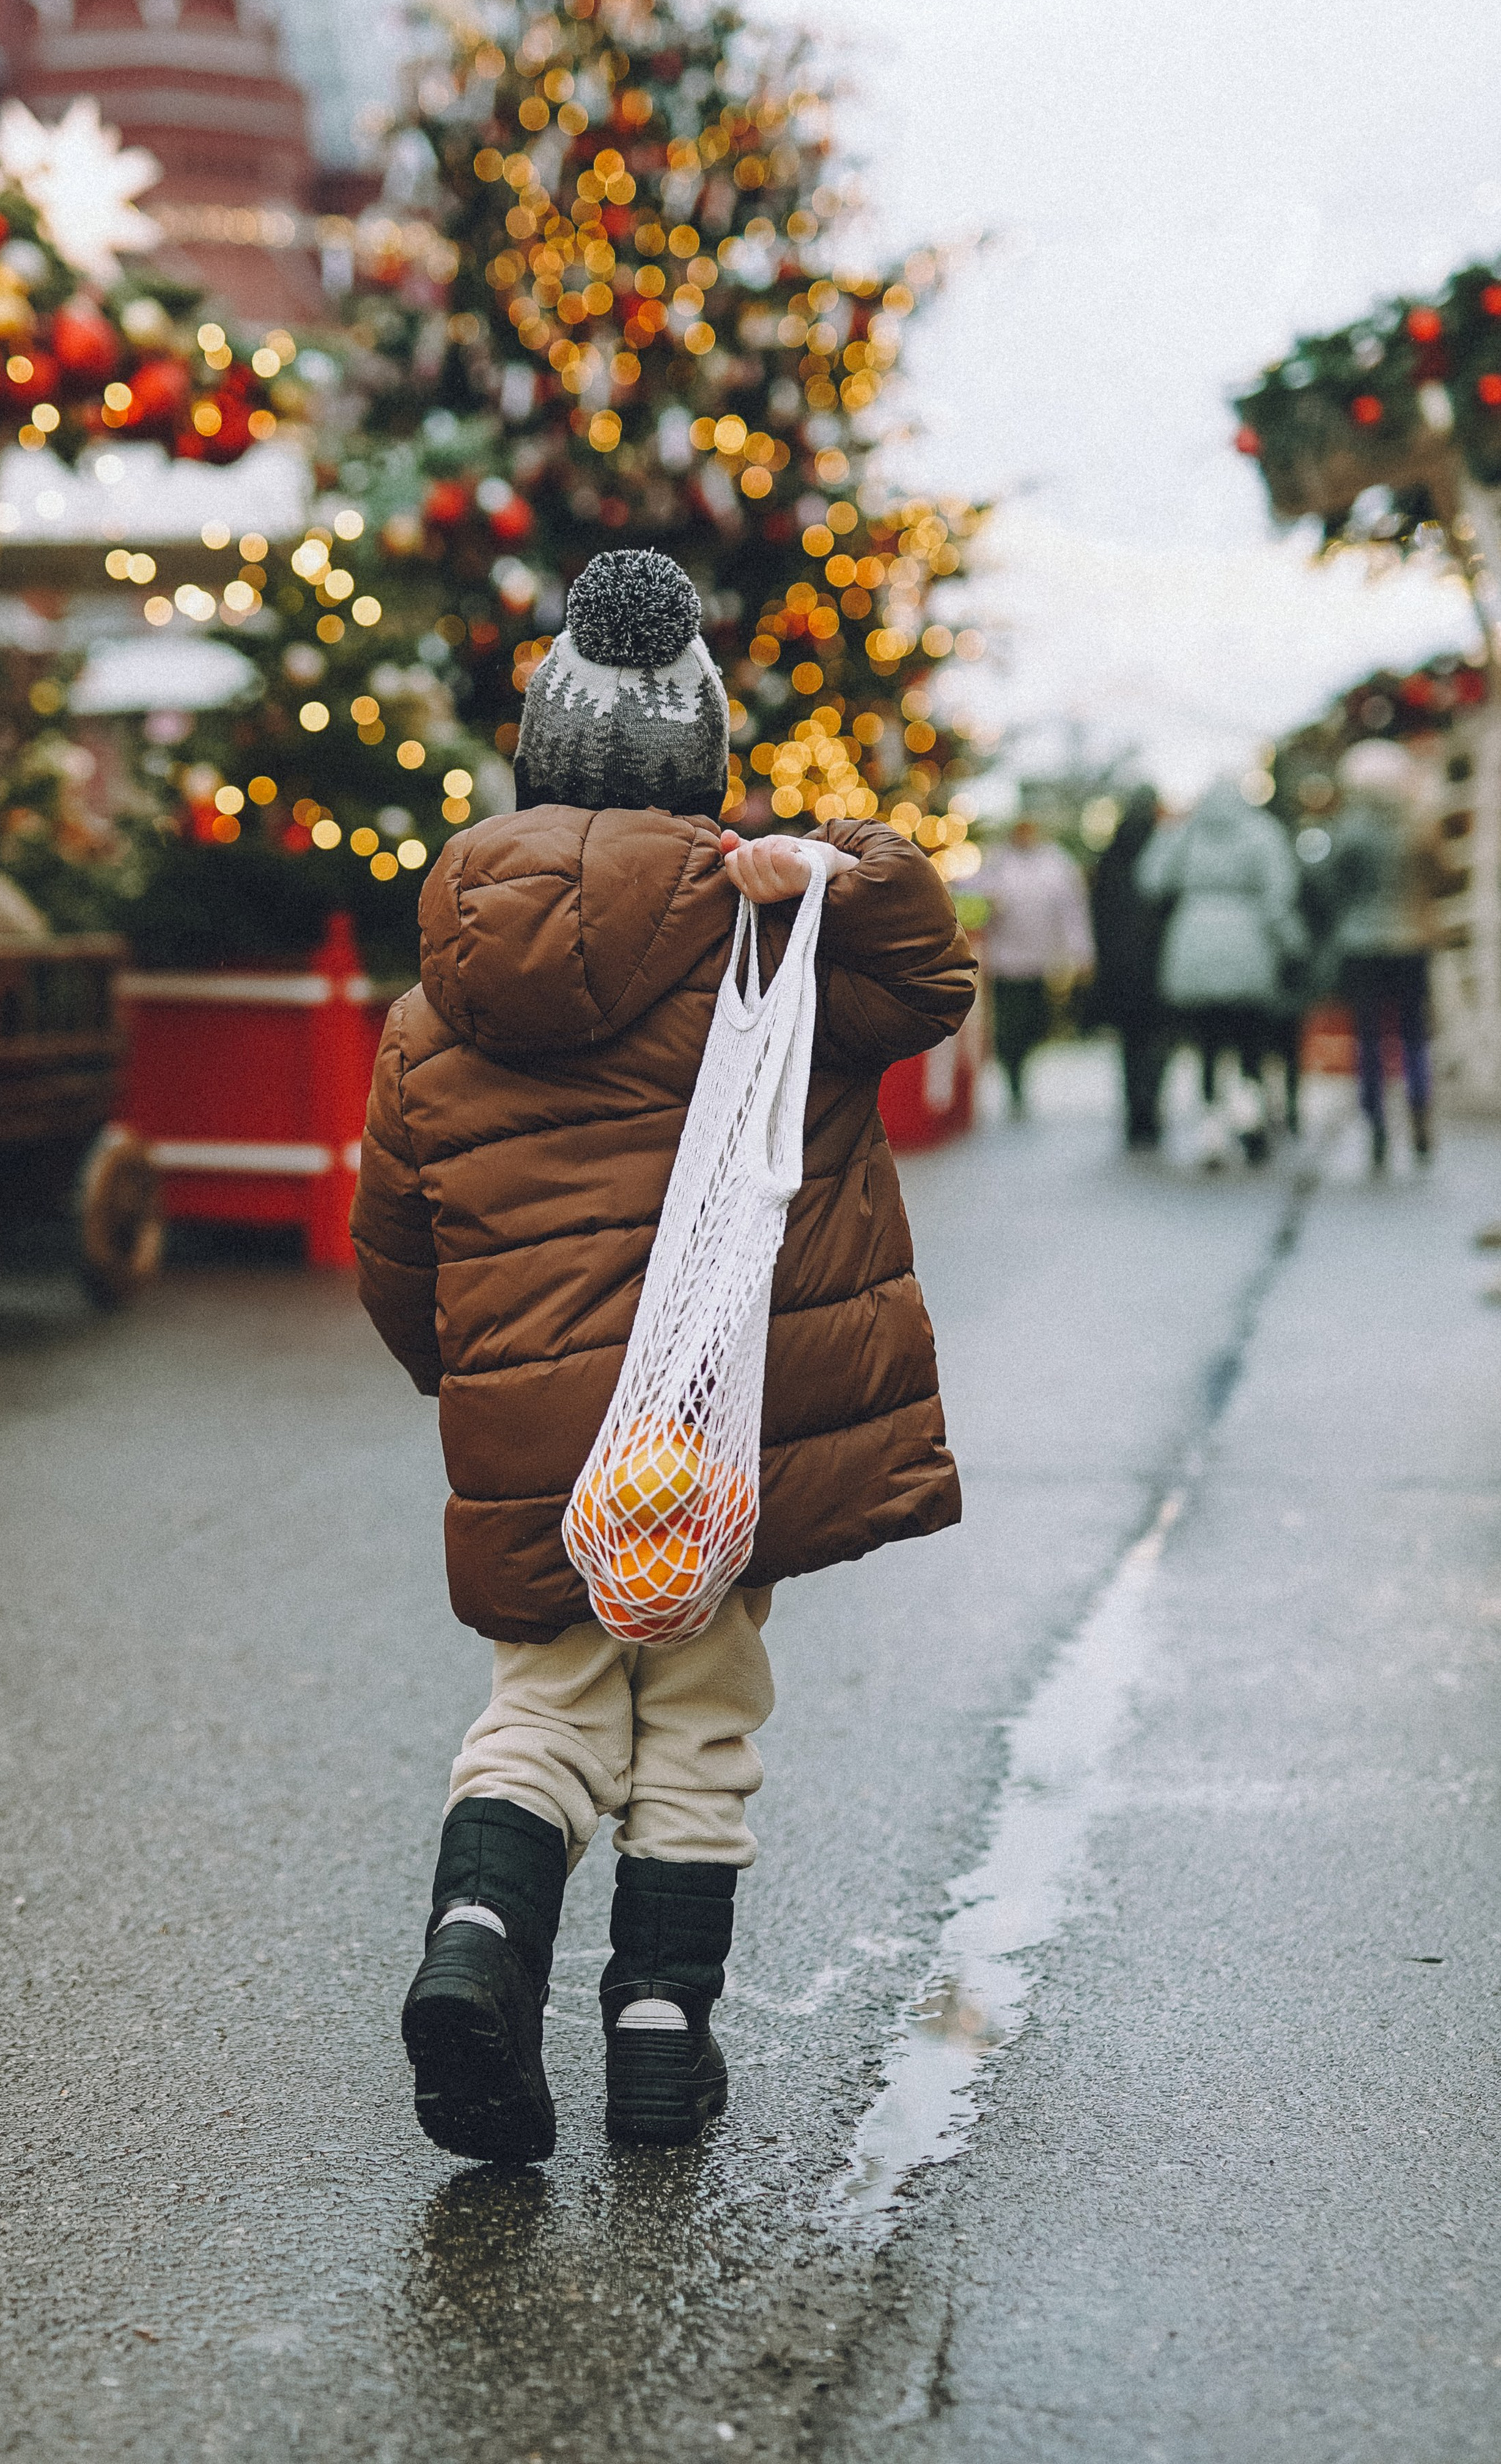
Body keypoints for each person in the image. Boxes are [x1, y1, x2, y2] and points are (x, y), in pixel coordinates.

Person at [352, 549, 975, 2164]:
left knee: (542, 1710)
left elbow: (394, 1254)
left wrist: (477, 1390)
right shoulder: (776, 951)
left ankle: (475, 1948)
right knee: (698, 1715)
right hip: (719, 1418)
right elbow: (936, 973)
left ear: (531, 763)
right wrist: (832, 860)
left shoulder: (433, 1005)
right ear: (703, 770)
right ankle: (656, 2043)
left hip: (536, 1431)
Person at [1137, 777, 1305, 1165]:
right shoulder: (1262, 833)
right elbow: (1280, 894)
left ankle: (1212, 1128)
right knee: (1250, 1041)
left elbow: (1150, 880)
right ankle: (1251, 1124)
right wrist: (1293, 944)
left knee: (1207, 1042)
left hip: (1193, 940)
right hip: (1249, 942)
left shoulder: (1183, 832)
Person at [1327, 737, 1449, 1169]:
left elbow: (1333, 884)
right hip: (1412, 940)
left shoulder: (1348, 829)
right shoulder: (1419, 823)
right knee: (1414, 1034)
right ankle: (1419, 1110)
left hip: (1361, 944)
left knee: (1369, 1038)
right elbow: (1441, 874)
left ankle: (1376, 1121)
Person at [970, 813, 1094, 1115]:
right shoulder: (997, 864)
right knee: (1009, 1026)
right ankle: (1014, 1079)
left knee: (1032, 1023)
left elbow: (1072, 912)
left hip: (1040, 961)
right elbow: (976, 905)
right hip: (1005, 961)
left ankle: (1022, 1069)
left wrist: (1081, 953)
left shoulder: (1056, 864)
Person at [1085, 788, 1173, 1149]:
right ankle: (1150, 1110)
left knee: (1130, 1044)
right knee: (1157, 1041)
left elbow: (1098, 914)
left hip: (1119, 969)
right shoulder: (1163, 852)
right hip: (1157, 965)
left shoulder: (1111, 857)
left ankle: (1134, 1114)